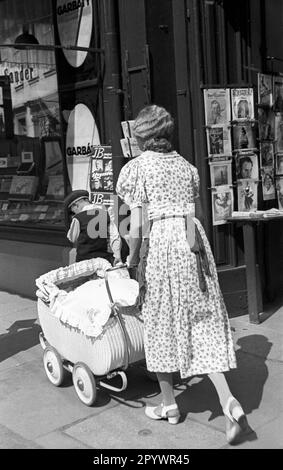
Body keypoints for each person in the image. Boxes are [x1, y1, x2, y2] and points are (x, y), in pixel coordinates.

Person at [116, 105, 248, 445]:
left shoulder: (138, 167)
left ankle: (170, 404)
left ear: (142, 134)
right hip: (191, 241)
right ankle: (229, 403)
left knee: (160, 321)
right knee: (199, 321)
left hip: (161, 242)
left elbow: (138, 224)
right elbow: (198, 214)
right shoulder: (188, 168)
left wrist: (131, 258)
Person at [64, 189, 122, 264]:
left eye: (73, 210)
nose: (74, 212)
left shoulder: (78, 218)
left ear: (76, 205)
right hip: (103, 259)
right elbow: (115, 237)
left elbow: (72, 238)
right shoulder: (105, 214)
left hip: (84, 261)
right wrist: (117, 255)